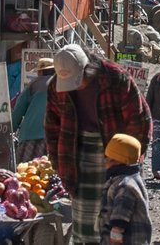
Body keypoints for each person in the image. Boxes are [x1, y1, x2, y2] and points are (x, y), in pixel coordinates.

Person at [45, 44, 152, 245]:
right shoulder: (55, 87)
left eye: (78, 80)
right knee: (84, 224)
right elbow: (52, 127)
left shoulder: (116, 79)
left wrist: (131, 161)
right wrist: (57, 162)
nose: (74, 86)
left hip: (116, 156)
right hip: (77, 157)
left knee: (118, 213)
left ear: (89, 68)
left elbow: (140, 121)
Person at [100, 134, 153, 245]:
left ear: (118, 162)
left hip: (127, 239)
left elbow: (121, 214)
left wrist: (115, 237)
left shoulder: (124, 185)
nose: (105, 162)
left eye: (108, 159)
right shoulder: (134, 177)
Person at [12, 58, 54, 162]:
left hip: (30, 135)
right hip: (53, 136)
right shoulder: (60, 85)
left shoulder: (32, 85)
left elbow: (18, 111)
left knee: (26, 171)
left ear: (40, 72)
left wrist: (11, 129)